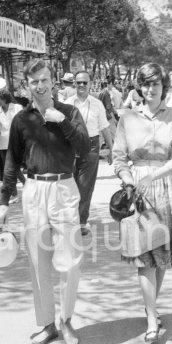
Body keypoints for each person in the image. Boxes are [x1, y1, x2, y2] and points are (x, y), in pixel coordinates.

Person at [0, 59, 90, 344]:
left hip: (64, 188)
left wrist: (62, 123)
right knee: (39, 262)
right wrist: (3, 200)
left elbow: (85, 148)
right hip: (34, 189)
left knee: (70, 261)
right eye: (34, 81)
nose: (39, 85)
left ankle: (66, 320)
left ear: (53, 82)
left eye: (44, 79)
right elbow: (11, 161)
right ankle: (48, 324)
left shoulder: (69, 112)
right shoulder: (21, 120)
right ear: (27, 84)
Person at [112, 63, 172, 344]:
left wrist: (153, 176)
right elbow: (119, 158)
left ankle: (151, 308)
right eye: (145, 84)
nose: (150, 89)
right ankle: (151, 317)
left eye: (155, 84)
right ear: (140, 86)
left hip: (167, 188)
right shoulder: (127, 119)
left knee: (162, 260)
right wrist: (129, 179)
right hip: (139, 194)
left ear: (164, 86)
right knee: (145, 260)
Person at [65, 70, 113, 235]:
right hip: (71, 147)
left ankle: (81, 222)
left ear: (91, 83)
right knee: (68, 185)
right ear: (74, 84)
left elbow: (105, 128)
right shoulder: (68, 103)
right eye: (79, 82)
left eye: (85, 82)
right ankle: (69, 219)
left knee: (85, 186)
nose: (82, 85)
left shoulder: (97, 104)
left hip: (91, 147)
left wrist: (112, 150)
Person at [0, 89, 24, 197]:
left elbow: (23, 123)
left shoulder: (17, 108)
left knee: (14, 168)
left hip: (16, 142)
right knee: (8, 170)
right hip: (3, 144)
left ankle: (27, 186)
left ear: (5, 99)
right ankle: (14, 194)